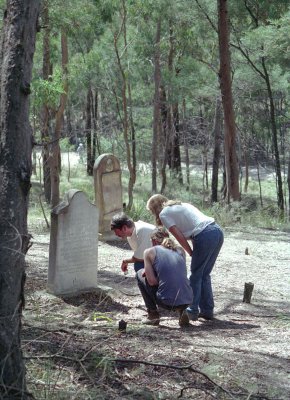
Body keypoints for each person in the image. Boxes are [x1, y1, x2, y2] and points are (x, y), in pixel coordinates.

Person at [146, 195, 224, 321]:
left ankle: (191, 310)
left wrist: (190, 252)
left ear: (155, 208)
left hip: (205, 235)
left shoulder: (164, 214)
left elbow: (178, 236)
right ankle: (207, 310)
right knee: (204, 274)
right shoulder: (181, 205)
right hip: (217, 231)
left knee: (195, 275)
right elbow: (194, 226)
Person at [136, 227, 193, 327]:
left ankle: (153, 315)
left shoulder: (149, 252)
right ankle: (182, 311)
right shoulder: (180, 250)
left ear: (153, 240)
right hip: (187, 300)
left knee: (139, 274)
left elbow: (152, 282)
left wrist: (155, 276)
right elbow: (177, 274)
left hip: (167, 303)